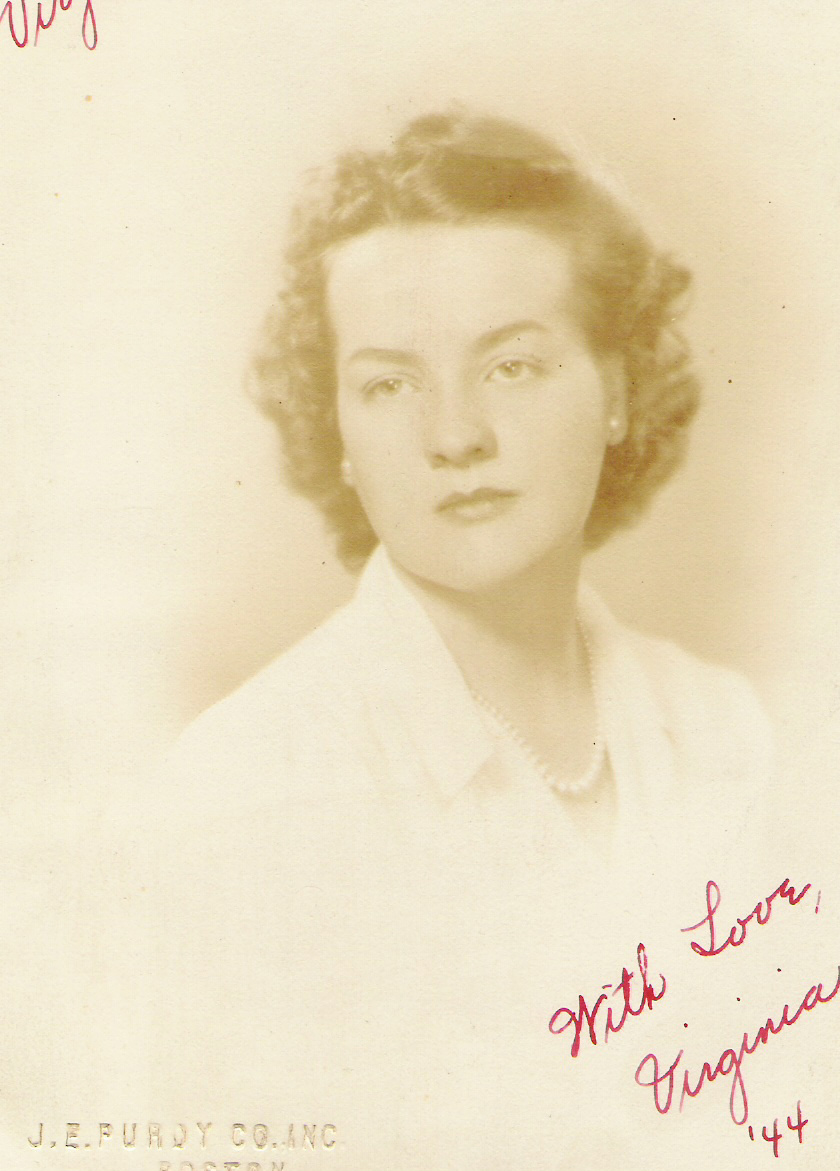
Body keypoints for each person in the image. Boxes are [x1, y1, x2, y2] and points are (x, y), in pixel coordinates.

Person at [144, 110, 776, 1170]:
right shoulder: (242, 787)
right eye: (388, 384)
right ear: (337, 431)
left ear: (617, 391)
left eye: (513, 366)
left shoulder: (728, 730)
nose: (454, 435)